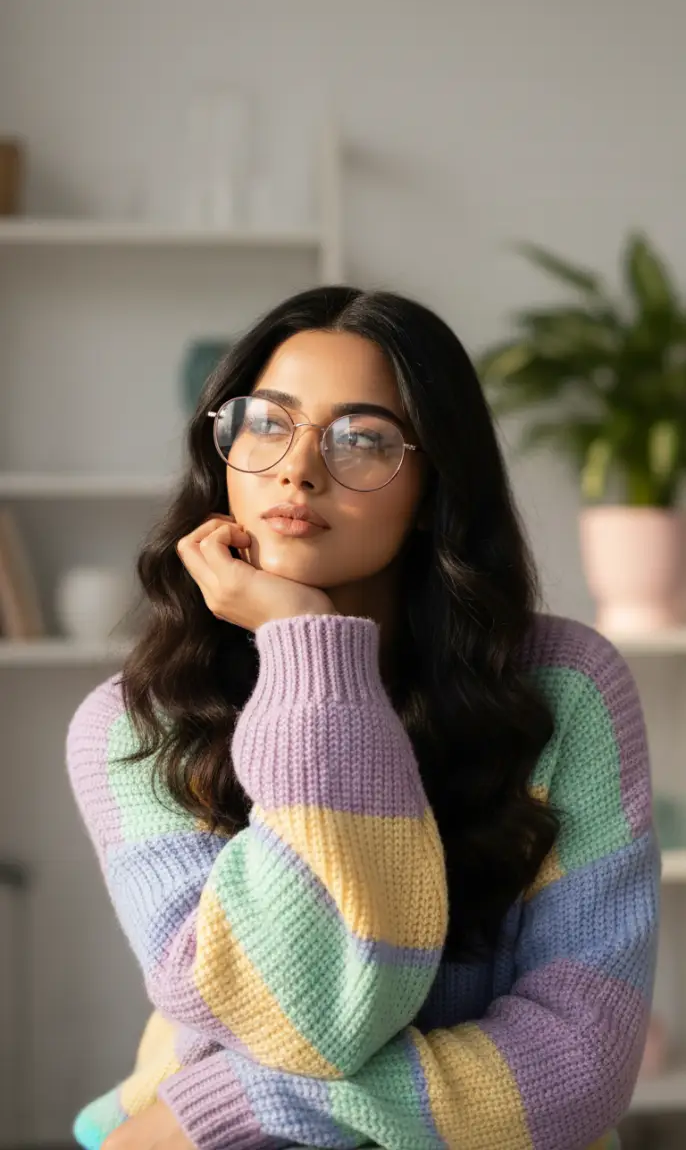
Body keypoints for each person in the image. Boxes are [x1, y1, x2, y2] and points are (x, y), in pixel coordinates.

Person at [65, 286, 660, 1150]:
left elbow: (583, 1058)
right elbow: (301, 1019)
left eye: (362, 439)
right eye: (267, 422)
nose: (299, 470)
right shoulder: (135, 729)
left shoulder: (566, 688)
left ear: (433, 483)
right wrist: (309, 650)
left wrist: (235, 1103)